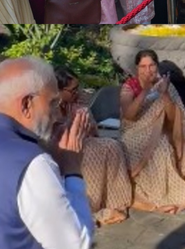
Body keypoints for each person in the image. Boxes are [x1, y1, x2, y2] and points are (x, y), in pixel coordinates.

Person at [0, 57, 94, 249]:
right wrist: (72, 169)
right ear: (27, 104)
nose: (56, 114)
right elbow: (76, 244)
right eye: (53, 103)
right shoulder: (32, 162)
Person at [119, 50, 185, 213]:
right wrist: (145, 91)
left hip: (159, 133)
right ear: (137, 68)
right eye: (143, 66)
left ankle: (162, 194)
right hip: (133, 133)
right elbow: (128, 116)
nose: (148, 70)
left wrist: (164, 93)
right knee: (147, 146)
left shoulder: (165, 85)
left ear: (157, 66)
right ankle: (148, 194)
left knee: (162, 146)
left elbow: (174, 117)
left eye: (152, 65)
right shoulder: (130, 86)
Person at [55, 67, 132, 225]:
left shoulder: (76, 102)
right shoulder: (52, 108)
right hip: (62, 149)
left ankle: (116, 200)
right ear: (59, 90)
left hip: (84, 141)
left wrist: (86, 119)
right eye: (73, 90)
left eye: (78, 87)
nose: (77, 92)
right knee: (93, 156)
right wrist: (73, 125)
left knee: (113, 146)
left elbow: (93, 129)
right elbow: (55, 137)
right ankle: (90, 206)